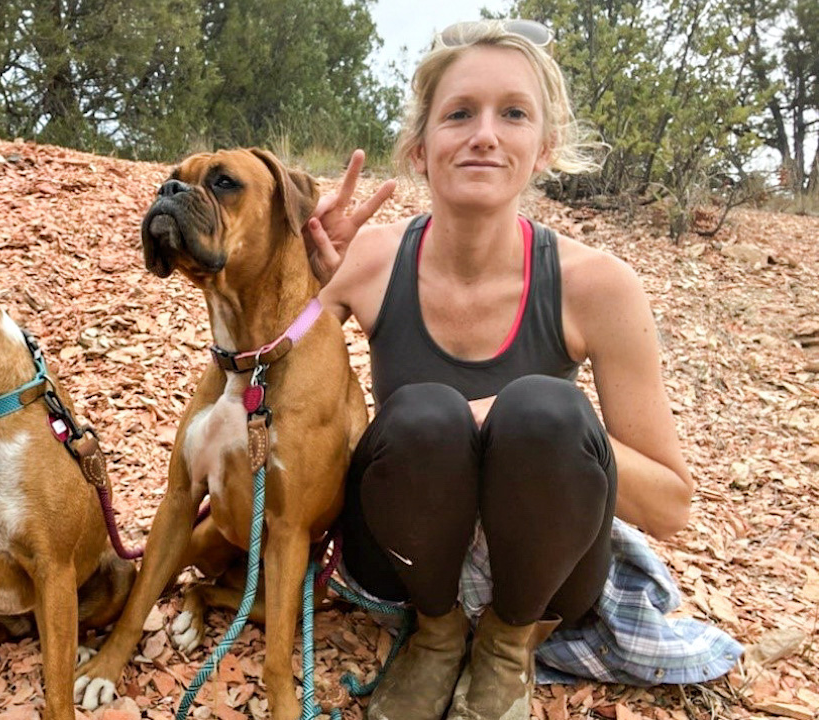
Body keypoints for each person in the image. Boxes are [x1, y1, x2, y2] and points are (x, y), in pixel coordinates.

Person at [305, 19, 742, 720]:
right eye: (459, 114)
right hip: (406, 554)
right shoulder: (368, 258)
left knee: (545, 410)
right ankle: (438, 639)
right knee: (422, 415)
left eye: (513, 113)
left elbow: (670, 505)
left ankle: (505, 651)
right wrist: (296, 281)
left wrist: (500, 417)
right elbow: (267, 390)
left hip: (542, 570)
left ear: (542, 150)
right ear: (420, 147)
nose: (484, 133)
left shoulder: (598, 285)